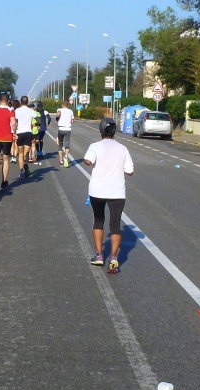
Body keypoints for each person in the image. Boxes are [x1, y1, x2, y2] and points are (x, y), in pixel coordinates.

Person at [83, 118, 134, 273]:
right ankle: (113, 258)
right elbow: (130, 171)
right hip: (117, 192)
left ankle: (99, 255)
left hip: (97, 191)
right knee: (115, 224)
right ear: (114, 132)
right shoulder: (123, 148)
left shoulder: (95, 146)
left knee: (98, 220)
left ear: (100, 131)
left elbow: (88, 160)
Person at [14, 96, 38, 178]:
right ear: (27, 102)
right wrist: (34, 124)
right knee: (26, 153)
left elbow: (14, 122)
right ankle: (26, 164)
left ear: (20, 102)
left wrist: (15, 130)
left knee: (20, 154)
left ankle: (21, 171)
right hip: (28, 132)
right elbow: (39, 120)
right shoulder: (31, 111)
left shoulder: (17, 111)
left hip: (19, 133)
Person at [55, 100, 75, 167]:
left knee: (60, 145)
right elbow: (72, 121)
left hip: (61, 129)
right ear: (68, 106)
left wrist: (57, 120)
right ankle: (66, 156)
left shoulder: (59, 110)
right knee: (67, 144)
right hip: (68, 129)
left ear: (62, 105)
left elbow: (57, 115)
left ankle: (61, 160)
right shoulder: (71, 111)